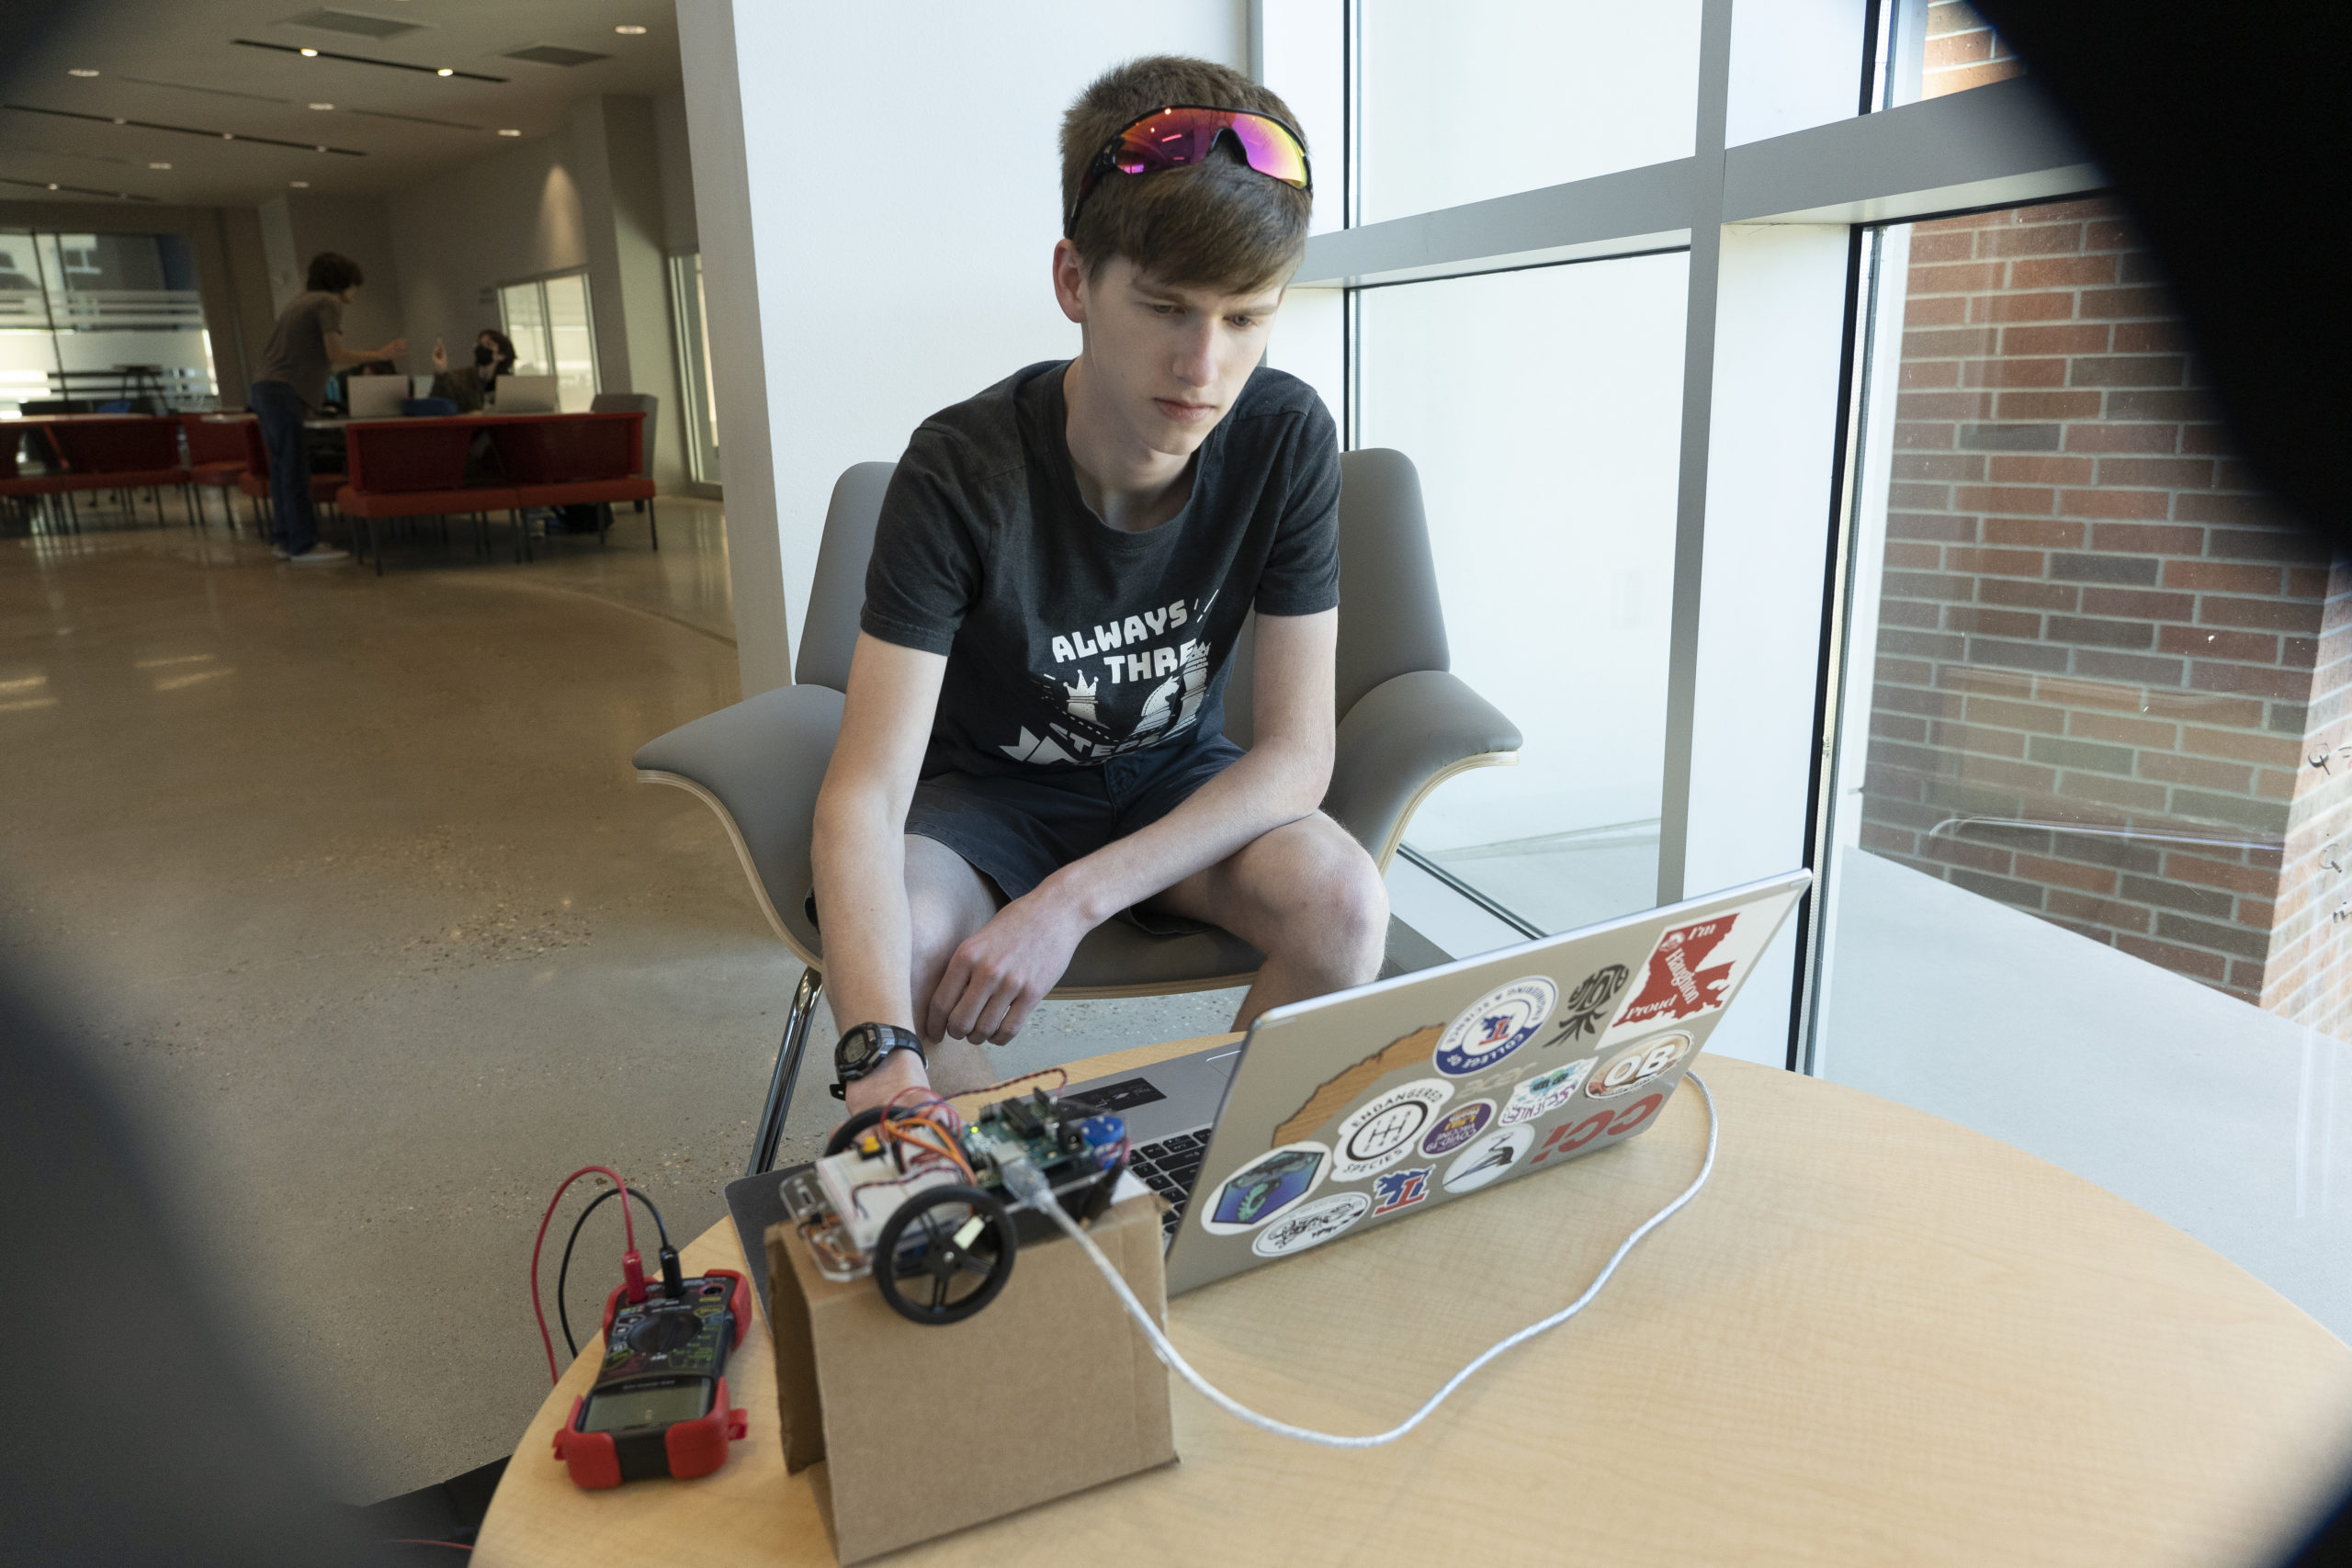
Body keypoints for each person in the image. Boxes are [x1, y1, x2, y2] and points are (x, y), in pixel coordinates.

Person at [813, 55, 1387, 1115]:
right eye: (1167, 308)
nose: (1204, 365)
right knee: (901, 952)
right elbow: (865, 791)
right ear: (1074, 280)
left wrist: (1073, 899)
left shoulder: (1285, 434)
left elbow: (1298, 755)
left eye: (1246, 318)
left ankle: (1215, 1165)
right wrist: (877, 1052)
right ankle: (974, 1179)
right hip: (986, 799)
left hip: (1174, 778)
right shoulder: (959, 467)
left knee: (1343, 906)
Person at [249, 253, 404, 566]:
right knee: (294, 469)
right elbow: (334, 353)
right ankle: (304, 545)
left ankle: (285, 539)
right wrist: (379, 354)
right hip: (283, 389)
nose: (355, 293)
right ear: (344, 282)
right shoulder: (327, 303)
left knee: (282, 469)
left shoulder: (299, 302)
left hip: (266, 388)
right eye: (354, 285)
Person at [426, 329, 518, 413]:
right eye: (480, 344)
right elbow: (436, 403)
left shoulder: (508, 385)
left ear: (501, 355)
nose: (482, 347)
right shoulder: (459, 379)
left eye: (489, 344)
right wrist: (441, 372)